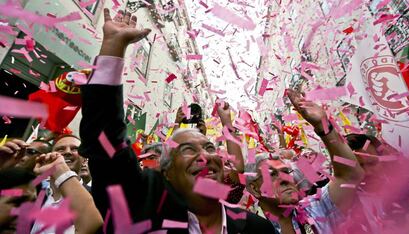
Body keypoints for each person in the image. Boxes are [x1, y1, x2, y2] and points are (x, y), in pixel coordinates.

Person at [78, 8, 276, 233]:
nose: (205, 156)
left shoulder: (256, 228)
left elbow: (237, 165)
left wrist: (227, 122)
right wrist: (113, 47)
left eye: (210, 147)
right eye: (187, 150)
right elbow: (105, 141)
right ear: (167, 174)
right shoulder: (142, 206)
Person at [245, 89, 365, 233]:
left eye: (286, 171)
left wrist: (323, 126)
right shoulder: (249, 229)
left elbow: (350, 176)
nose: (285, 179)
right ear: (254, 188)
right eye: (272, 174)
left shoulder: (315, 209)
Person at [0, 154, 103, 234]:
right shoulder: (42, 193)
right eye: (17, 202)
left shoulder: (95, 196)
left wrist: (59, 168)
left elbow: (90, 222)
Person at [30, 134, 90, 234]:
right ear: (49, 156)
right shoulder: (33, 192)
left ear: (84, 159)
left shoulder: (95, 197)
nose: (67, 152)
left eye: (75, 149)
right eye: (60, 149)